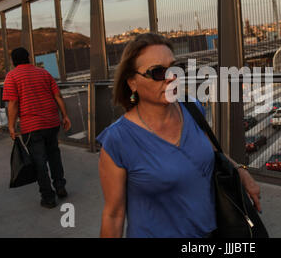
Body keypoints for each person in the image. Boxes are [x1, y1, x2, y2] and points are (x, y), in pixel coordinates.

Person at [97, 33, 261, 238]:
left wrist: (241, 172)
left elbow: (212, 152)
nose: (172, 77)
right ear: (132, 83)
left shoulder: (192, 108)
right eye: (158, 72)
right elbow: (113, 216)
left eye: (175, 69)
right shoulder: (118, 139)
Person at [2, 47, 71, 209]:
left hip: (31, 126)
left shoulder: (12, 76)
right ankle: (60, 187)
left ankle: (48, 198)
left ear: (13, 61)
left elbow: (13, 103)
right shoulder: (43, 73)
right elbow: (57, 96)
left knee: (39, 162)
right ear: (29, 58)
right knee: (54, 155)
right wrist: (65, 116)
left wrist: (11, 126)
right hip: (52, 122)